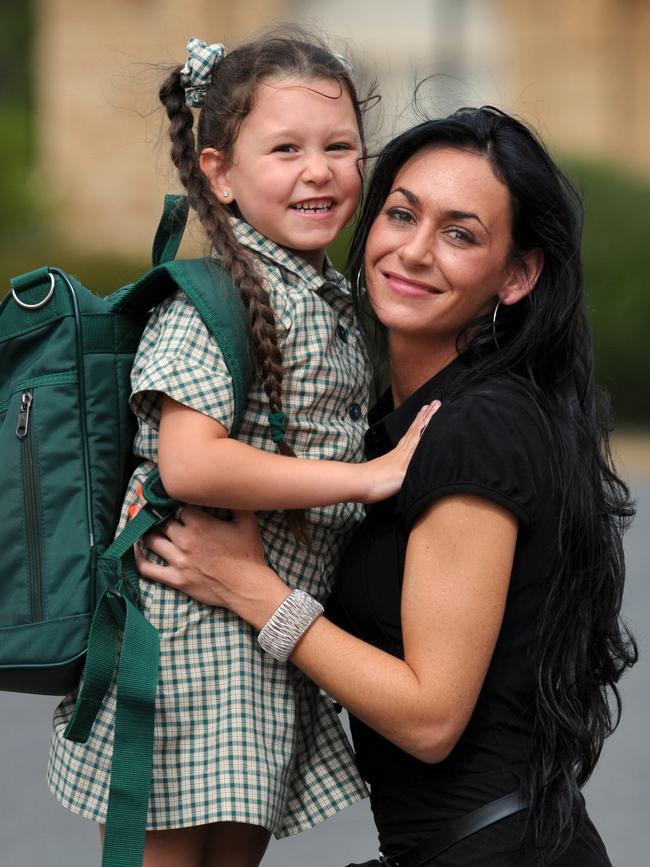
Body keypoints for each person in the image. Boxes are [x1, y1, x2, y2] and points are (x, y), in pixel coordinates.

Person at [137, 107, 638, 866]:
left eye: (461, 233)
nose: (414, 250)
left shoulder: (478, 429)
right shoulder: (388, 429)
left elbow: (431, 713)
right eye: (401, 214)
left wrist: (251, 588)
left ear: (517, 275)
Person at [47, 32, 438, 867]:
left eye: (340, 147)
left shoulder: (320, 296)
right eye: (286, 148)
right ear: (220, 174)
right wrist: (366, 478)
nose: (319, 170)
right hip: (191, 642)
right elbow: (190, 462)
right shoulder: (217, 296)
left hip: (262, 632)